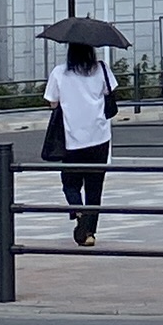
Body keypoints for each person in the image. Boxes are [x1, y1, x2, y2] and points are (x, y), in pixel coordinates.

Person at [44, 35, 115, 248]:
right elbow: (110, 91)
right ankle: (89, 234)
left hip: (72, 138)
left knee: (70, 183)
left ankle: (77, 209)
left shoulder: (59, 72)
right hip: (99, 137)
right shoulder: (101, 68)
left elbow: (52, 102)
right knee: (95, 188)